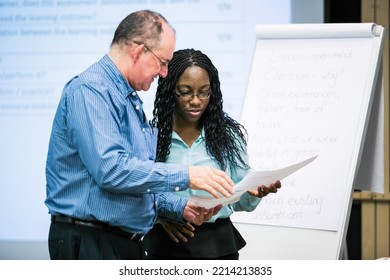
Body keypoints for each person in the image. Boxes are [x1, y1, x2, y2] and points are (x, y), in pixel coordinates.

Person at [44, 10, 234, 260]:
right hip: (92, 243)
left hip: (118, 243)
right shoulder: (91, 91)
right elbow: (111, 170)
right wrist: (188, 176)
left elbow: (133, 182)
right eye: (162, 62)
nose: (164, 73)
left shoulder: (126, 99)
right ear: (137, 51)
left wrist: (180, 207)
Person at [142, 49, 281, 260]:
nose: (196, 101)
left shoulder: (228, 137)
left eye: (204, 92)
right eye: (185, 92)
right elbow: (137, 189)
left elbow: (239, 200)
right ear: (169, 90)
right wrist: (161, 216)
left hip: (218, 245)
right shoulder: (150, 137)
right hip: (165, 244)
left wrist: (256, 192)